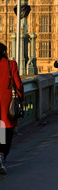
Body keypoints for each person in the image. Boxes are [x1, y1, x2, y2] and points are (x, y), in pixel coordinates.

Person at [0, 43, 24, 174]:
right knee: (5, 133)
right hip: (6, 105)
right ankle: (1, 155)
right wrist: (20, 98)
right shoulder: (11, 64)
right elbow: (18, 84)